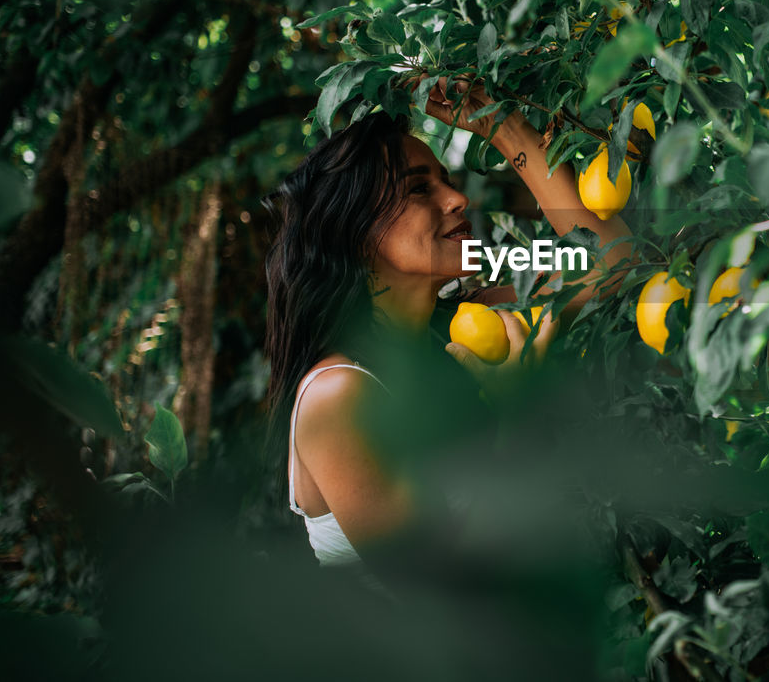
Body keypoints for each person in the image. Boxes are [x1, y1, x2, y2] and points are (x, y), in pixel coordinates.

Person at [261, 74, 632, 568]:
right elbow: (436, 586)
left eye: (448, 182)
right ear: (354, 234)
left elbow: (615, 262)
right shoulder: (337, 394)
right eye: (418, 189)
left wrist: (506, 132)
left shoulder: (467, 317)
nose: (458, 201)